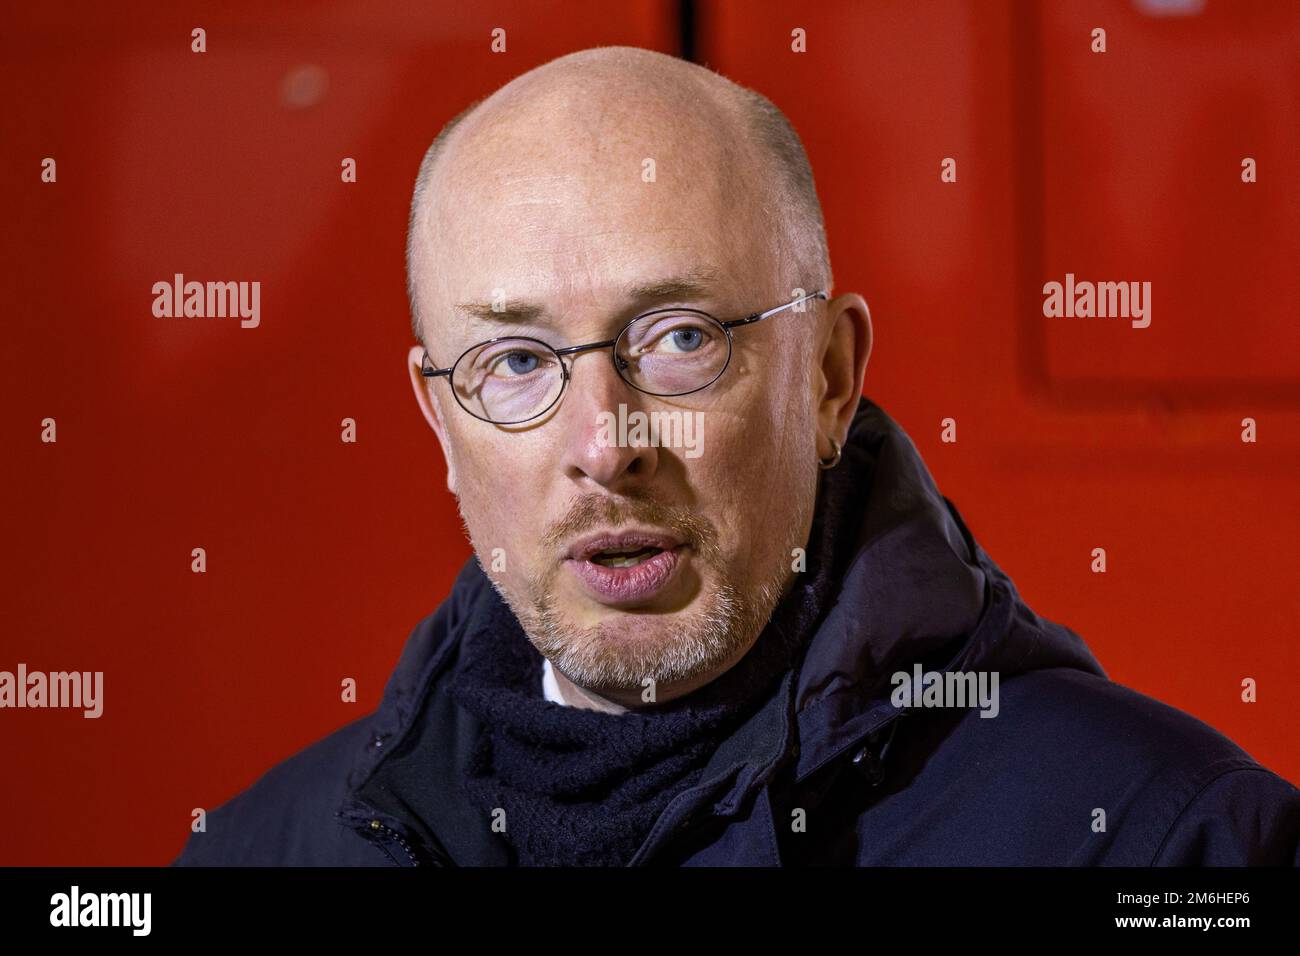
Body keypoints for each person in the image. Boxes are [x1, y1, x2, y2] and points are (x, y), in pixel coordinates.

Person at [174, 45, 1299, 866]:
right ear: (441, 428)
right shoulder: (260, 855)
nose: (605, 444)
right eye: (514, 361)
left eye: (678, 339)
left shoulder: (1169, 846)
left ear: (826, 376)